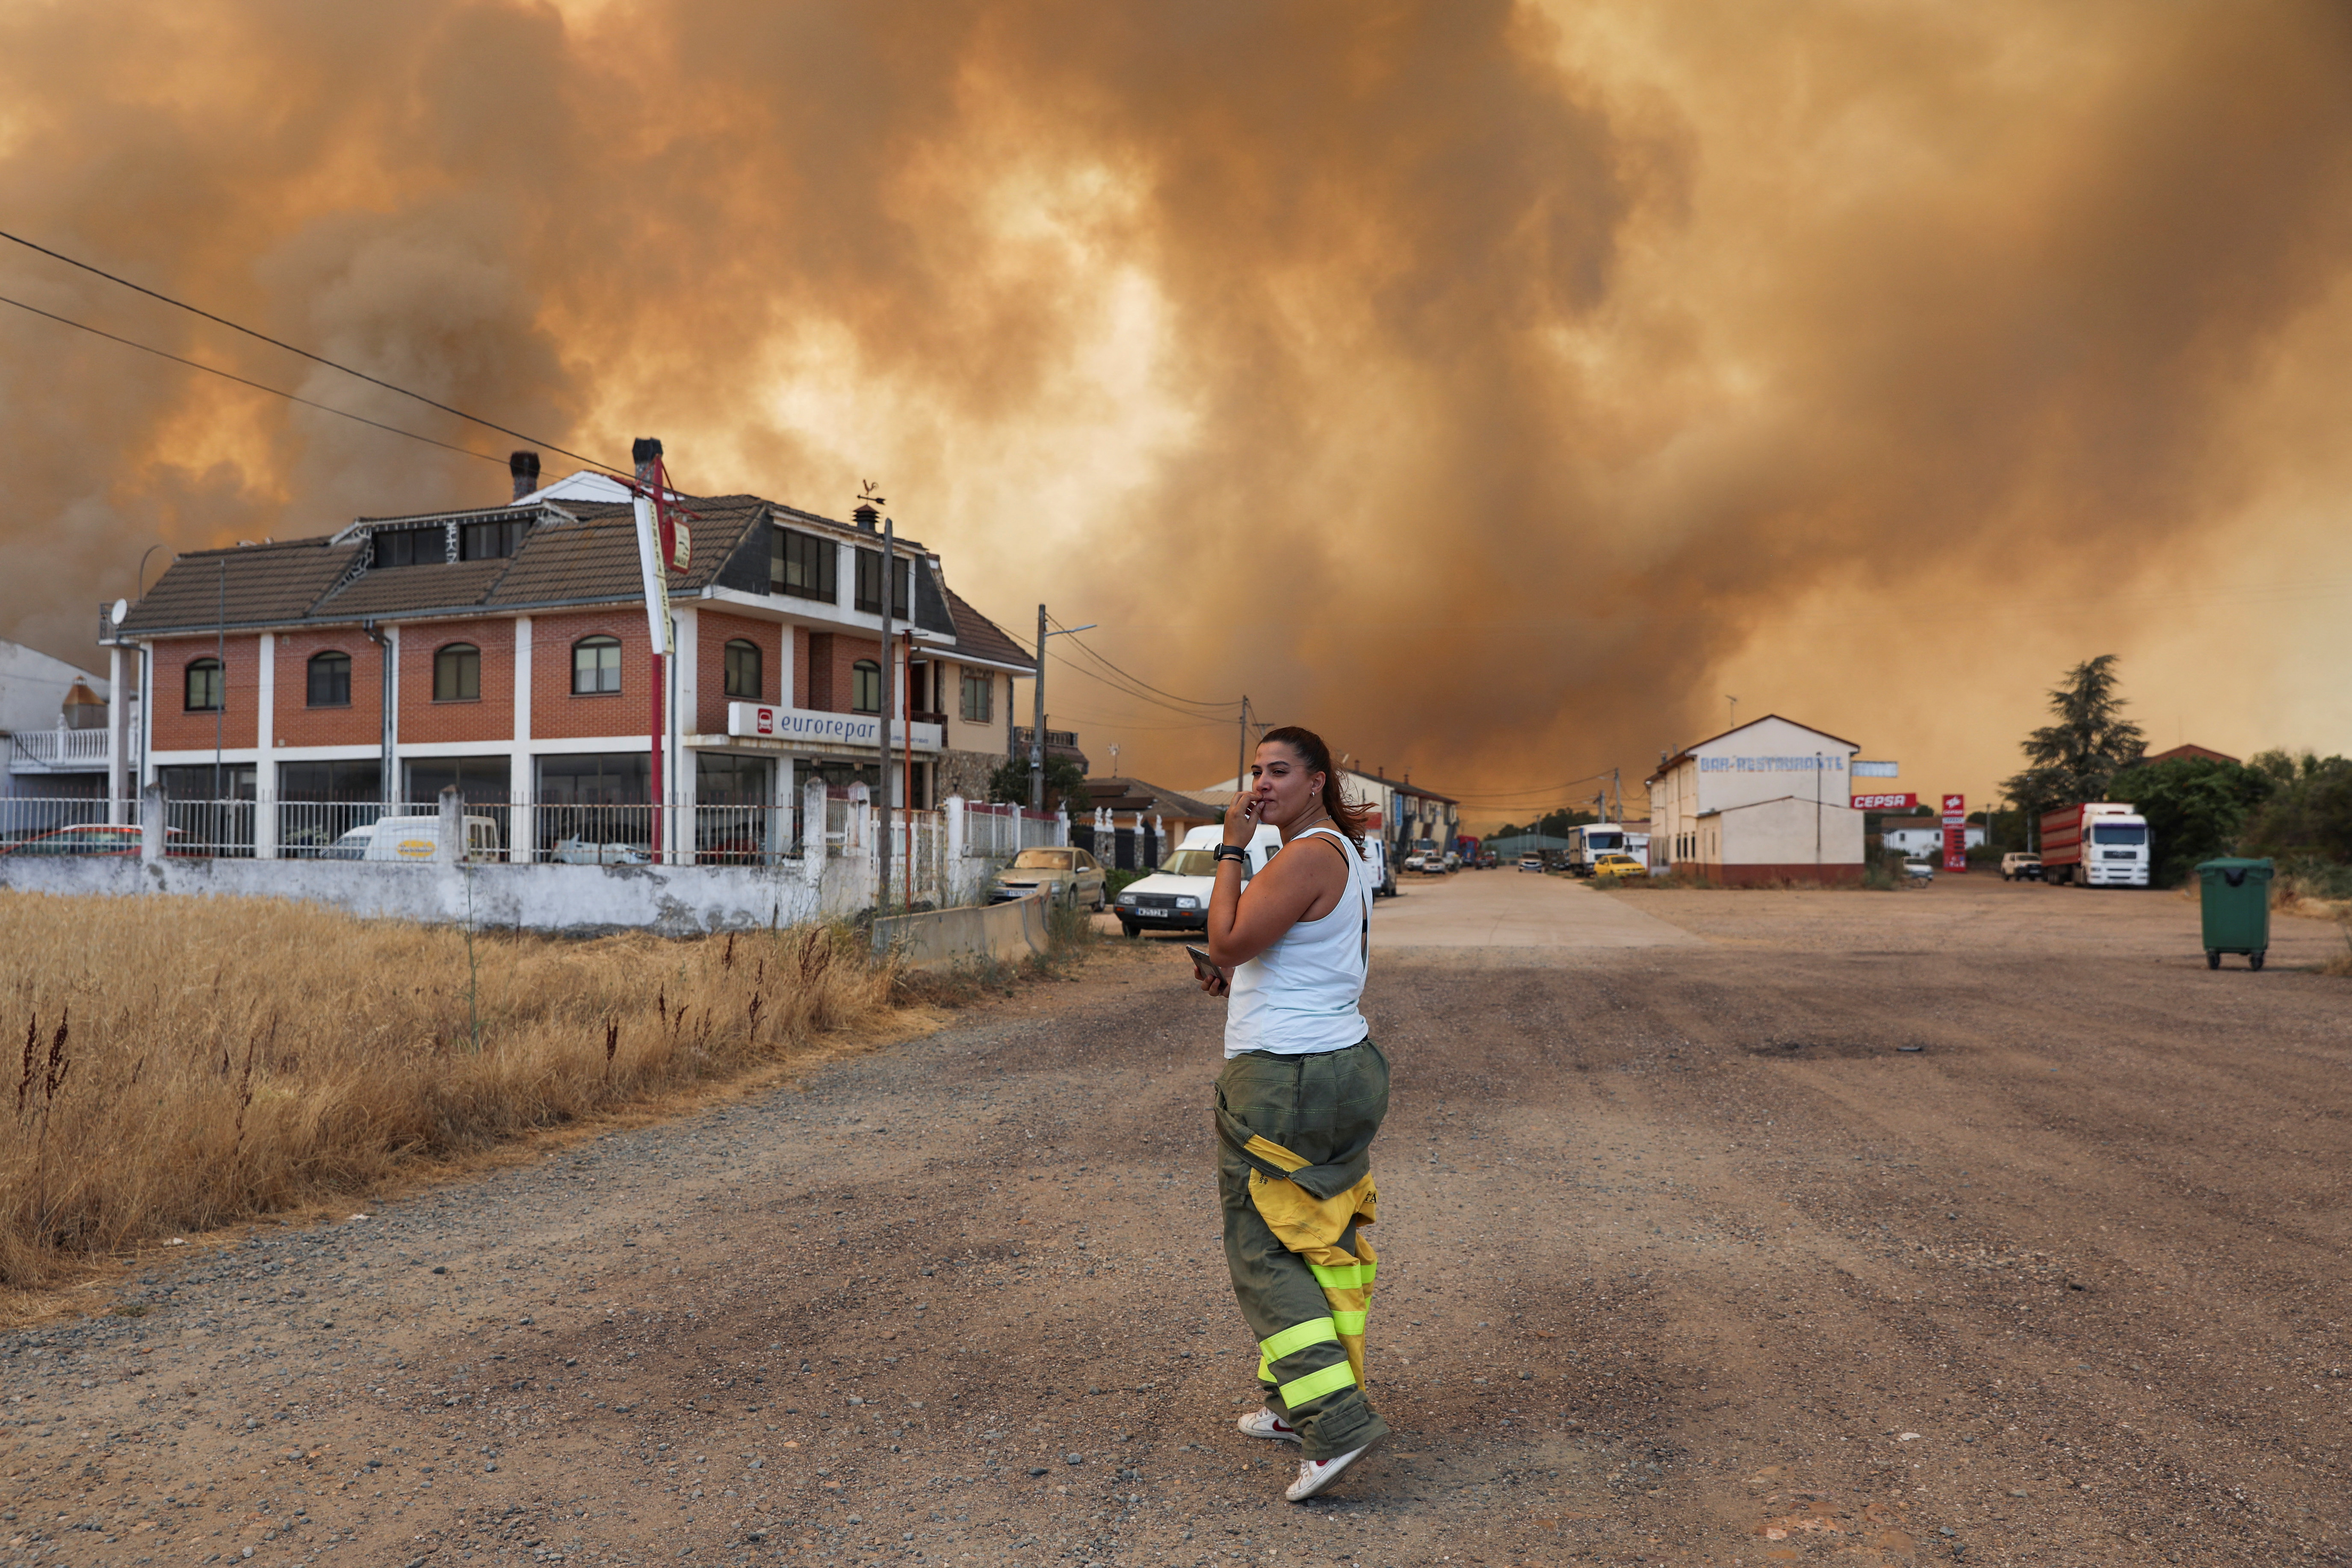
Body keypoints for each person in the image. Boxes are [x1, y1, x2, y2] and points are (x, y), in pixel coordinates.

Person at [1200, 725, 1388, 1502]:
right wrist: (1233, 975)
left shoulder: (1304, 852)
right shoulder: (1345, 851)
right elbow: (1284, 954)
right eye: (1255, 771)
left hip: (1284, 1078)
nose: (1262, 784)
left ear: (1318, 781)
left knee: (1262, 1249)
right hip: (1340, 1063)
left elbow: (1230, 939)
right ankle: (1291, 1403)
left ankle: (1335, 1422)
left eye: (1280, 771)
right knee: (1316, 1240)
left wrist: (1230, 849)